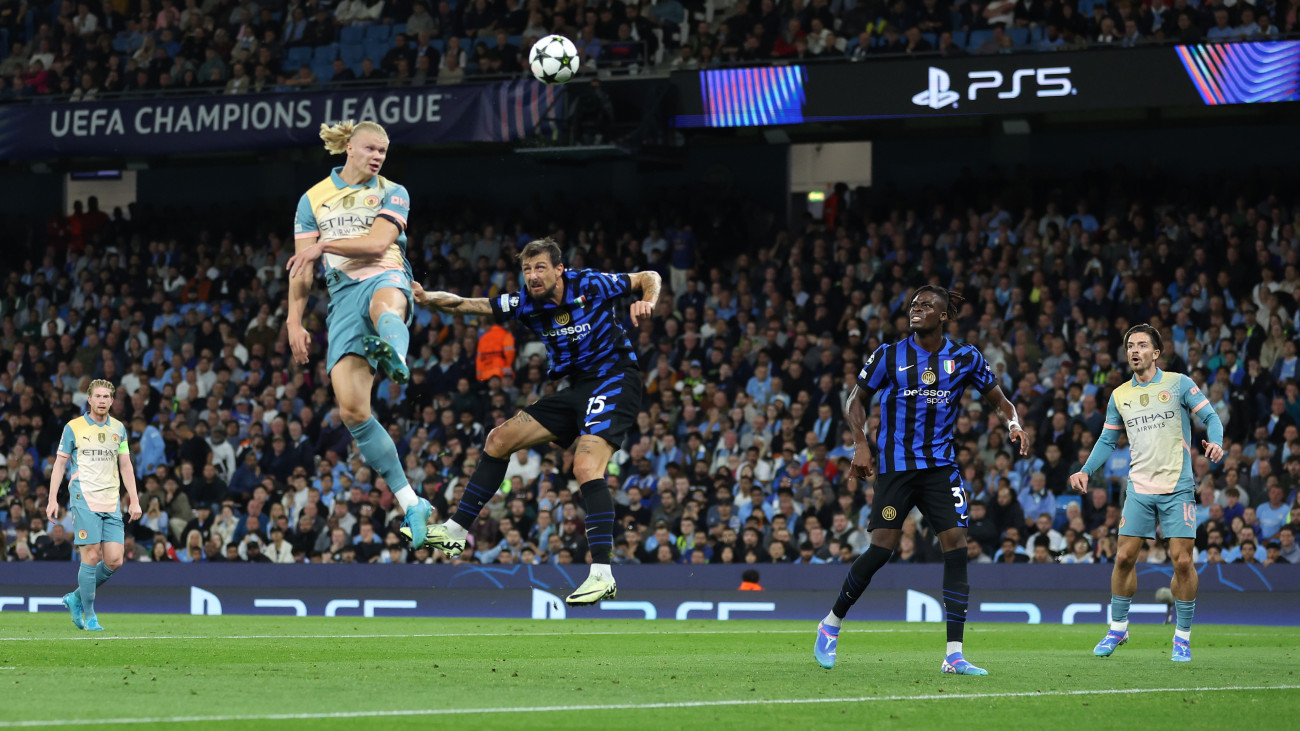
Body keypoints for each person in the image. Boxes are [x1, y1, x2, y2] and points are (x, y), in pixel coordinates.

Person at [407, 237, 660, 605]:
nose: (532, 276)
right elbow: (469, 305)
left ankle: (602, 574)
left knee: (586, 465)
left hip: (615, 378)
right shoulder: (525, 301)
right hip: (576, 389)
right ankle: (456, 530)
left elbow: (648, 276)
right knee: (498, 439)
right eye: (526, 269)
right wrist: (428, 297)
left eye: (540, 267)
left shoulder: (589, 283)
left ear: (560, 269)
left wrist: (647, 302)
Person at [814, 286, 1029, 675]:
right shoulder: (889, 355)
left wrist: (1013, 423)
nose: (917, 309)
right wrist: (860, 444)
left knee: (956, 545)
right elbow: (855, 399)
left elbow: (1000, 400)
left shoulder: (965, 356)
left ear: (944, 315)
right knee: (881, 549)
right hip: (897, 467)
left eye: (927, 305)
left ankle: (954, 654)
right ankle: (830, 624)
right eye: (914, 305)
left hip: (940, 467)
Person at [284, 120, 434, 549]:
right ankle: (411, 502)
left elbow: (376, 243)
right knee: (352, 411)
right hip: (341, 296)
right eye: (371, 148)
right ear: (349, 147)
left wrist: (324, 245)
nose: (377, 157)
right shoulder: (313, 199)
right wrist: (295, 321)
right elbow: (302, 269)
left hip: (384, 272)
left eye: (383, 152)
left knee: (386, 305)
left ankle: (396, 356)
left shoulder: (394, 191)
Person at [1069, 324, 1223, 663]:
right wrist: (1085, 469)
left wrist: (1216, 443)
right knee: (1123, 557)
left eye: (1141, 345)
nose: (1134, 351)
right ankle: (1118, 627)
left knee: (1182, 561)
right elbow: (1108, 439)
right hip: (1139, 487)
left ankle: (1182, 637)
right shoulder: (1119, 395)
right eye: (1129, 346)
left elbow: (1211, 417)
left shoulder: (1178, 383)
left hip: (1177, 486)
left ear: (1156, 353)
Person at [45, 380, 142, 631]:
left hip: (111, 501)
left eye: (106, 396)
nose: (101, 400)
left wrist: (134, 499)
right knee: (90, 554)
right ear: (89, 399)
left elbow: (125, 465)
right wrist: (52, 498)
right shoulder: (73, 428)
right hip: (84, 497)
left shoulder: (119, 429)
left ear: (112, 401)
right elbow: (59, 464)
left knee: (115, 560)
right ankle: (90, 616)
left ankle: (75, 598)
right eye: (97, 396)